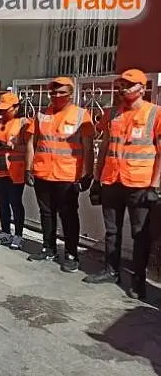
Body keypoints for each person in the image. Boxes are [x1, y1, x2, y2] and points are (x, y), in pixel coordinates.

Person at [83, 69, 161, 299]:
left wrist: (154, 186)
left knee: (140, 234)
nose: (123, 89)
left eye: (128, 85)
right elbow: (104, 147)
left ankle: (138, 280)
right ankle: (111, 270)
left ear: (142, 88)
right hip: (112, 180)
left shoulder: (155, 114)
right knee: (112, 230)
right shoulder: (112, 113)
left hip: (140, 185)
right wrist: (97, 178)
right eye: (121, 85)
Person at [25, 77, 94, 273]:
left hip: (67, 176)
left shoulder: (81, 115)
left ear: (70, 94)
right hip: (43, 173)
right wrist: (28, 169)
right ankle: (48, 248)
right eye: (53, 93)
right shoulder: (41, 115)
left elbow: (88, 147)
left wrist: (89, 174)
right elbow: (31, 144)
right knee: (46, 213)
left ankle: (71, 254)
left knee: (68, 216)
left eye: (61, 92)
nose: (57, 96)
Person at [0, 92, 29, 250]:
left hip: (15, 170)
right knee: (2, 202)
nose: (2, 112)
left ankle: (18, 235)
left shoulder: (23, 123)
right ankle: (5, 232)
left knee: (15, 202)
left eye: (5, 110)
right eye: (0, 109)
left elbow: (29, 147)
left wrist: (10, 147)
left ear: (16, 108)